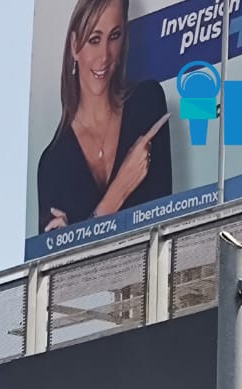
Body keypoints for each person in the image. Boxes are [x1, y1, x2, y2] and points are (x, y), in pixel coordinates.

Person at [36, 0, 172, 234]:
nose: (105, 56)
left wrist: (81, 229)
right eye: (94, 40)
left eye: (114, 36)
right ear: (74, 45)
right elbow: (61, 266)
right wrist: (118, 192)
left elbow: (164, 223)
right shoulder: (52, 165)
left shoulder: (147, 103)